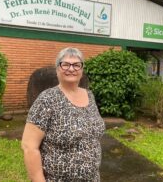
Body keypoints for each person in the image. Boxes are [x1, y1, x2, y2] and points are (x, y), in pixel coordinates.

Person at [21, 47, 105, 182]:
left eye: (77, 65)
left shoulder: (89, 95)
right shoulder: (47, 99)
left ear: (82, 70)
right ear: (57, 69)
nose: (71, 69)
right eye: (65, 64)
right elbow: (29, 146)